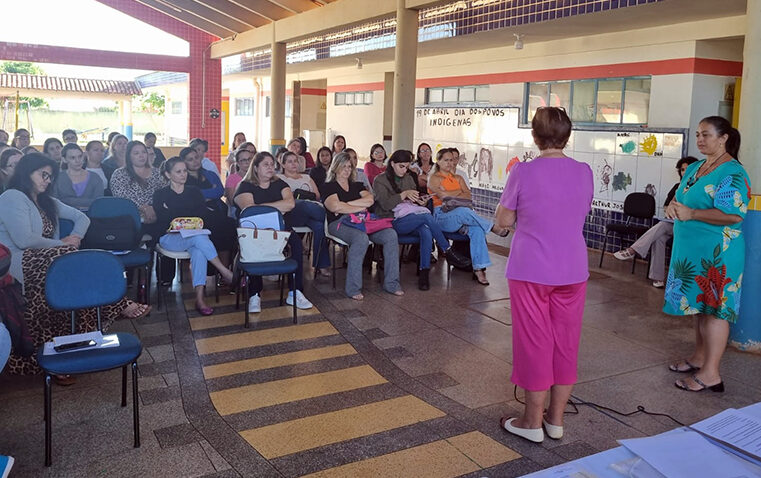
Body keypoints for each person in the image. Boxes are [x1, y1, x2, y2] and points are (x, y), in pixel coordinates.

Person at [494, 106, 593, 443]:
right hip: (574, 269)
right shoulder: (584, 171)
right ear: (567, 136)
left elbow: (504, 221)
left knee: (534, 342)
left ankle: (531, 422)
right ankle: (556, 420)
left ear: (535, 137)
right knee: (566, 343)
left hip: (531, 269)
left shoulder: (523, 171)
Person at [0, 153, 150, 376]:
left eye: (50, 177)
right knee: (71, 259)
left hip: (50, 260)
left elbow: (83, 218)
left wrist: (76, 237)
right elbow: (24, 240)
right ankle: (118, 304)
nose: (47, 180)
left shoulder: (46, 201)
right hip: (19, 263)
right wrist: (61, 244)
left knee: (75, 262)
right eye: (43, 175)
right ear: (27, 172)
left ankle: (76, 348)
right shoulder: (12, 196)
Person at [664, 116, 750, 393]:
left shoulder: (733, 172)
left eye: (707, 135)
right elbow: (681, 198)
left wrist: (692, 214)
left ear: (724, 138)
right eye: (698, 135)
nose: (700, 140)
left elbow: (734, 215)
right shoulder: (697, 167)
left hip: (718, 253)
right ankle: (699, 357)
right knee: (699, 308)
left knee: (714, 311)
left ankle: (711, 373)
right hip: (692, 250)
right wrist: (673, 208)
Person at [373, 150, 470, 290]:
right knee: (426, 217)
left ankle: (424, 274)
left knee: (425, 231)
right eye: (401, 166)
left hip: (410, 216)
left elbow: (413, 201)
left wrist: (421, 201)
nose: (404, 170)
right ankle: (447, 250)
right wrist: (403, 194)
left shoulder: (407, 178)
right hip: (390, 220)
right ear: (392, 164)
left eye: (407, 167)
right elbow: (385, 204)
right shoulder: (380, 180)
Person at [234, 151, 314, 313]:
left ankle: (295, 292)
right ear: (255, 168)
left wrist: (262, 206)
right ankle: (254, 294)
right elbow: (249, 210)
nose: (271, 168)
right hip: (253, 231)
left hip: (281, 229)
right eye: (266, 164)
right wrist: (277, 207)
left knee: (297, 245)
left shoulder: (280, 184)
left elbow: (290, 204)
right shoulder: (245, 185)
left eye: (272, 164)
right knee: (255, 249)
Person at [153, 157, 234, 316]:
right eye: (178, 171)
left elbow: (201, 215)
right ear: (168, 175)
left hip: (193, 234)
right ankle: (223, 270)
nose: (183, 174)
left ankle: (200, 298)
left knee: (199, 248)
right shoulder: (160, 194)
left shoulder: (193, 191)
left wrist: (175, 214)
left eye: (184, 171)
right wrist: (184, 216)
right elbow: (164, 219)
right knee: (200, 238)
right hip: (169, 238)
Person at [321, 151, 403, 300]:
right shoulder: (328, 187)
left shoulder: (357, 185)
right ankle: (353, 288)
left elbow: (370, 200)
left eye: (349, 166)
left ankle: (392, 283)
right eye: (343, 166)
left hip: (363, 221)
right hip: (339, 223)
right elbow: (334, 208)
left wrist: (345, 205)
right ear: (335, 167)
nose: (347, 170)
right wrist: (357, 206)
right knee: (361, 239)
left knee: (391, 235)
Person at [613, 156, 699, 287]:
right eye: (682, 170)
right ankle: (657, 278)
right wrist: (672, 210)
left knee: (662, 227)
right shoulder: (678, 187)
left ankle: (633, 250)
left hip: (692, 226)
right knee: (660, 235)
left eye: (688, 169)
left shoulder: (700, 187)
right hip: (675, 224)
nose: (685, 172)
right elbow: (666, 206)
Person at [428, 148, 507, 285]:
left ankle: (479, 269)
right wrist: (458, 192)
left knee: (477, 230)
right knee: (464, 212)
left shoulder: (458, 178)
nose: (449, 163)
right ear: (438, 161)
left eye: (451, 160)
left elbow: (468, 196)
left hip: (461, 215)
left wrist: (451, 192)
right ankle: (493, 227)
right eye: (446, 160)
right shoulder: (434, 178)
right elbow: (442, 197)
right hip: (442, 216)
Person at [278, 150, 331, 276]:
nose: (294, 164)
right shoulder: (280, 178)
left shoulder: (307, 177)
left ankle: (320, 264)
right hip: (293, 212)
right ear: (283, 164)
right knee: (303, 204)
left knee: (319, 227)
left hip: (311, 211)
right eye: (290, 161)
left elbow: (317, 196)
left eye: (295, 161)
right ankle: (330, 216)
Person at [109, 140, 165, 243]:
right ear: (129, 156)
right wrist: (144, 208)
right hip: (130, 217)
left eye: (143, 152)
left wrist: (153, 208)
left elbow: (165, 194)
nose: (141, 156)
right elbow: (121, 196)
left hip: (155, 215)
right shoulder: (119, 174)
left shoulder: (157, 173)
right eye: (136, 153)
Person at [51, 143, 104, 211]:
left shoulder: (95, 177)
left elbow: (98, 202)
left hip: (93, 218)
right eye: (72, 158)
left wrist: (68, 200)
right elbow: (55, 202)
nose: (77, 161)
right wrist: (86, 203)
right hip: (64, 218)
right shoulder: (57, 178)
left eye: (80, 156)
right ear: (64, 159)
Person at [224, 148, 253, 213]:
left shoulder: (257, 177)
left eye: (249, 159)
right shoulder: (232, 178)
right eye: (243, 160)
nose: (247, 162)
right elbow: (232, 201)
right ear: (237, 163)